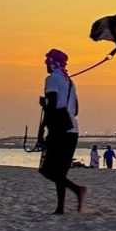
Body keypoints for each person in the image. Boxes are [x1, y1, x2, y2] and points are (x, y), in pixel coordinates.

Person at [37, 49, 86, 214]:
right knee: (61, 171)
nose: (46, 66)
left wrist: (43, 127)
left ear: (52, 63)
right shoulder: (70, 82)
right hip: (73, 129)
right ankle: (60, 208)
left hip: (60, 130)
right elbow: (77, 109)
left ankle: (77, 190)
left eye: (47, 62)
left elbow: (52, 105)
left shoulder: (51, 80)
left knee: (47, 170)